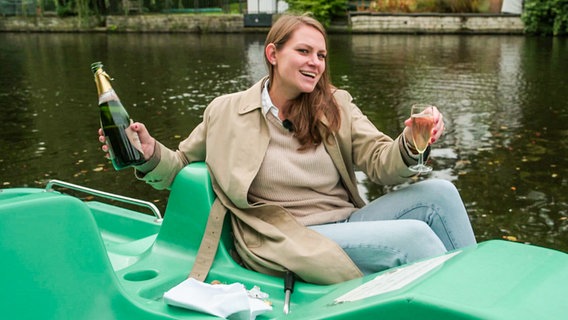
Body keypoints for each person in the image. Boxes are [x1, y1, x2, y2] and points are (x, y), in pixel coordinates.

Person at [99, 14, 476, 285]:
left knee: (441, 191)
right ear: (273, 54)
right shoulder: (226, 111)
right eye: (304, 51)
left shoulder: (336, 104)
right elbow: (179, 164)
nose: (316, 62)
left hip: (344, 223)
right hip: (282, 236)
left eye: (322, 55)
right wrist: (148, 152)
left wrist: (411, 142)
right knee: (413, 238)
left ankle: (482, 296)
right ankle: (464, 305)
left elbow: (380, 162)